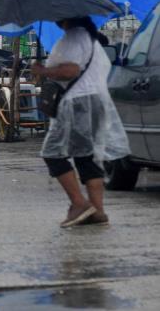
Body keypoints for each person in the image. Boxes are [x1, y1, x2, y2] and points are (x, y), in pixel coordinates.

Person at [32, 17, 130, 228]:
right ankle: (97, 210)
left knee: (52, 153)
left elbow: (72, 71)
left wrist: (44, 71)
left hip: (79, 103)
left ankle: (79, 204)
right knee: (86, 157)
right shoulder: (89, 38)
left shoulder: (74, 37)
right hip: (94, 101)